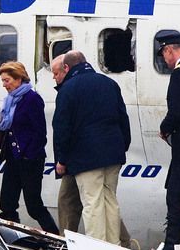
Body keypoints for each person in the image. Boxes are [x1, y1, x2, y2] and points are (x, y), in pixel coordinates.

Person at [50, 54, 132, 247]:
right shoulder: (109, 83)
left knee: (92, 203)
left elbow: (62, 128)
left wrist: (62, 159)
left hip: (86, 157)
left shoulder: (68, 89)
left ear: (67, 68)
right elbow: (123, 118)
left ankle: (97, 245)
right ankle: (114, 245)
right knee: (110, 200)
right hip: (113, 154)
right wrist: (122, 146)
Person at [0, 62, 59, 234]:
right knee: (7, 204)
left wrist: (28, 154)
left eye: (7, 80)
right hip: (12, 158)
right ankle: (11, 239)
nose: (4, 85)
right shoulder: (9, 101)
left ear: (19, 78)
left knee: (33, 205)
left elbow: (40, 132)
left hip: (30, 159)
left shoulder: (32, 99)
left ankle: (54, 237)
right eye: (2, 81)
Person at [156, 31, 180, 250]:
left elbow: (176, 112)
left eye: (163, 54)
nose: (164, 60)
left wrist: (164, 128)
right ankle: (171, 245)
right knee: (176, 200)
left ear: (169, 49)